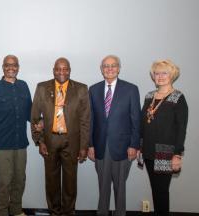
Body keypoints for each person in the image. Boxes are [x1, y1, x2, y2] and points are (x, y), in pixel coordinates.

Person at [30, 57, 90, 215]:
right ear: (53, 70)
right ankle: (54, 212)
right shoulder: (42, 88)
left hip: (72, 142)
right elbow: (35, 117)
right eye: (58, 69)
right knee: (51, 181)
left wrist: (84, 146)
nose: (62, 72)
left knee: (70, 183)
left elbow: (85, 120)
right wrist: (39, 140)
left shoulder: (82, 89)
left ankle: (68, 212)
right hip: (50, 141)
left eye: (65, 69)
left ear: (69, 70)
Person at [88, 55, 141, 216]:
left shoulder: (131, 89)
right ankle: (102, 212)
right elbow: (90, 120)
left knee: (120, 188)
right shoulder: (94, 89)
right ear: (101, 69)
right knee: (102, 187)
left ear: (118, 68)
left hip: (123, 148)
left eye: (113, 65)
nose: (109, 68)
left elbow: (136, 119)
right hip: (100, 147)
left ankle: (120, 213)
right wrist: (90, 145)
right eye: (106, 66)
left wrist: (134, 145)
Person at [0, 55, 32, 216]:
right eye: (8, 65)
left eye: (14, 65)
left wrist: (40, 121)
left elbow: (30, 113)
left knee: (20, 180)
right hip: (2, 145)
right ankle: (2, 212)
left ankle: (16, 210)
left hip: (21, 144)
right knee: (5, 181)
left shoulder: (23, 86)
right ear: (3, 67)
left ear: (18, 67)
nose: (11, 67)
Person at [140, 59, 188, 216]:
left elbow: (181, 129)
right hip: (147, 150)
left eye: (164, 73)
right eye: (156, 73)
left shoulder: (178, 98)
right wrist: (140, 146)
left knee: (161, 192)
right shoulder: (149, 96)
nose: (160, 76)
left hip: (165, 153)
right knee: (155, 190)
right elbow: (143, 123)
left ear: (172, 75)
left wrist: (177, 154)